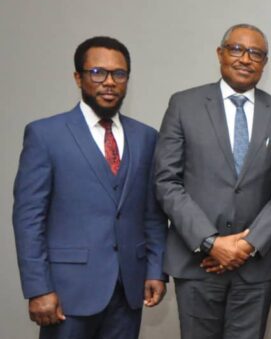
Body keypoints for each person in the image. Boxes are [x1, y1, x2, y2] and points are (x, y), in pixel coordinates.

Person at [12, 36, 168, 339]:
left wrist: (155, 269)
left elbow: (153, 213)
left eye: (119, 74)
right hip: (67, 292)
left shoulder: (146, 137)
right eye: (97, 72)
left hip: (128, 290)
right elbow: (28, 219)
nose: (109, 82)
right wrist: (38, 287)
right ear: (78, 78)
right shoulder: (46, 135)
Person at [154, 24, 271, 339]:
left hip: (255, 266)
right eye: (236, 49)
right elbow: (167, 181)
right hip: (196, 262)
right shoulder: (183, 105)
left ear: (265, 62)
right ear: (220, 53)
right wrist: (212, 243)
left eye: (256, 53)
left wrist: (245, 246)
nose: (245, 59)